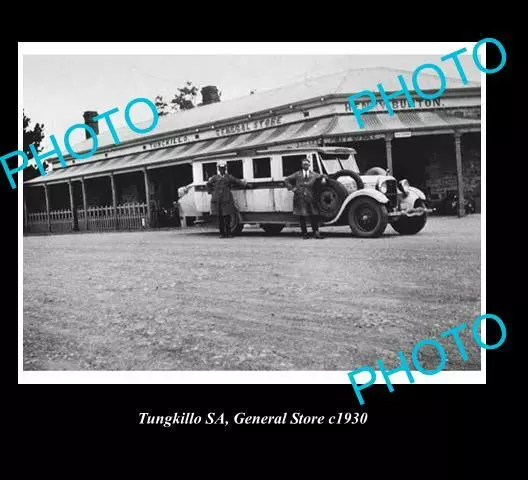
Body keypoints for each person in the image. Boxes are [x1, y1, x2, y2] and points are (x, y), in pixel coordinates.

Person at [284, 158, 327, 239]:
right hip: (299, 197)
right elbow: (286, 180)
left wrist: (324, 179)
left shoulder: (314, 174)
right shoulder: (297, 174)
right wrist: (293, 189)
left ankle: (316, 233)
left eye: (307, 164)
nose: (305, 165)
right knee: (302, 216)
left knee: (313, 216)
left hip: (310, 197)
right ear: (302, 165)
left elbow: (323, 175)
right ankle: (304, 234)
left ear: (309, 165)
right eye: (304, 164)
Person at [206, 161, 249, 238]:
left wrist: (245, 184)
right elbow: (208, 184)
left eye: (223, 168)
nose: (222, 170)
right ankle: (222, 234)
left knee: (227, 217)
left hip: (226, 199)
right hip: (218, 200)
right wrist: (211, 192)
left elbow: (237, 181)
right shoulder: (214, 178)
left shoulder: (228, 177)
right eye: (221, 168)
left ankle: (228, 233)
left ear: (225, 168)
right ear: (218, 169)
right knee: (220, 218)